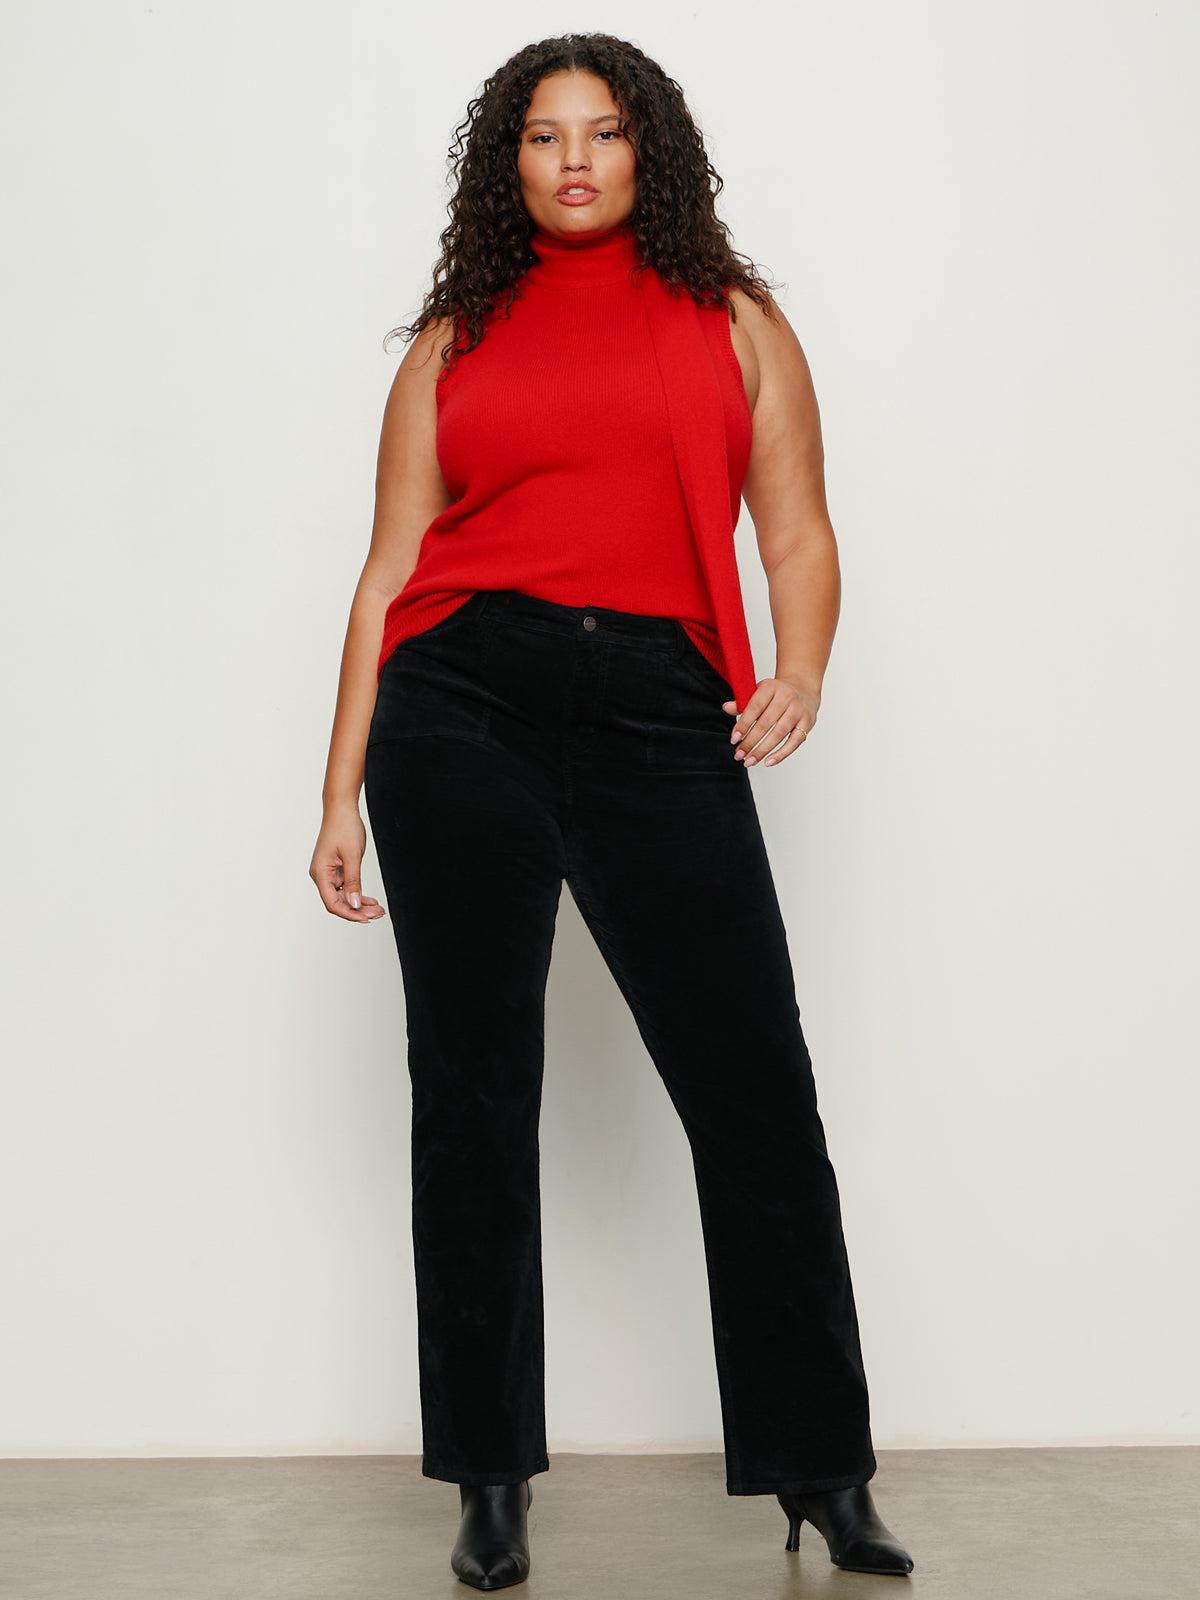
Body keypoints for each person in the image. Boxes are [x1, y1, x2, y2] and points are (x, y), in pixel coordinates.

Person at [309, 32, 915, 1591]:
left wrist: (803, 670)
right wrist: (338, 794)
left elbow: (798, 531)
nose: (574, 158)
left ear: (651, 150)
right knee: (472, 1092)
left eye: (602, 131)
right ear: (505, 165)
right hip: (461, 707)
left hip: (660, 710)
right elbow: (386, 574)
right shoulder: (453, 340)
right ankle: (489, 1476)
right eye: (542, 135)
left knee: (756, 1093)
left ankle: (823, 1467)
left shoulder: (737, 322)